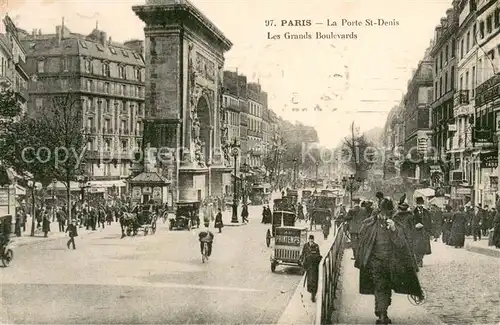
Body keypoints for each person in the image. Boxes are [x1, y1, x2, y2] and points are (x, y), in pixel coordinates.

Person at [355, 198, 424, 324]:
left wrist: (394, 230)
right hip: (376, 262)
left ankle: (382, 312)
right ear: (379, 211)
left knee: (384, 286)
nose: (384, 215)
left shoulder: (395, 224)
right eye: (383, 212)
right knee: (380, 286)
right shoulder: (371, 223)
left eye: (387, 213)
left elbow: (401, 243)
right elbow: (362, 240)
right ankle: (382, 314)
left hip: (391, 262)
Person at [301, 234, 322, 302]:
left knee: (314, 281)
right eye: (310, 239)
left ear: (313, 240)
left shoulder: (316, 246)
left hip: (314, 266)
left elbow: (319, 255)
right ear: (308, 239)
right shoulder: (305, 245)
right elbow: (303, 254)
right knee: (310, 281)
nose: (311, 240)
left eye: (312, 239)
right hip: (308, 266)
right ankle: (312, 293)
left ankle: (313, 295)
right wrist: (303, 263)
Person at [412, 197, 432, 267]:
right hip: (416, 232)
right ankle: (418, 260)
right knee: (417, 247)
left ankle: (421, 259)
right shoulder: (413, 212)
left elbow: (429, 222)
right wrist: (415, 225)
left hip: (424, 232)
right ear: (416, 204)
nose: (420, 205)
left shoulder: (426, 212)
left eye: (421, 204)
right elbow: (411, 222)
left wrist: (429, 232)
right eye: (419, 204)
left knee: (423, 247)